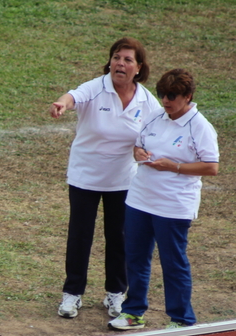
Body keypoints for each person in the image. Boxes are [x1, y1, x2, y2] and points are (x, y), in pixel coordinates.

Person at [49, 37, 162, 320]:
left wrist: (142, 150)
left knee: (120, 238)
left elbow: (155, 134)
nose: (119, 64)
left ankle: (115, 293)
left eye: (127, 60)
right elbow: (72, 97)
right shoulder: (96, 87)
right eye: (116, 58)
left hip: (123, 181)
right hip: (85, 177)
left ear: (139, 68)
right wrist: (61, 104)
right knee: (80, 237)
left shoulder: (147, 101)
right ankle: (72, 294)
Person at [109, 68, 219, 331]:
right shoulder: (156, 116)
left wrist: (174, 167)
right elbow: (138, 145)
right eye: (161, 94)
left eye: (172, 95)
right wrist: (138, 153)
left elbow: (211, 166)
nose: (165, 101)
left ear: (187, 96)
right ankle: (134, 312)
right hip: (139, 199)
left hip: (173, 205)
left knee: (173, 262)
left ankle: (182, 318)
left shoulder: (199, 126)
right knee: (135, 258)